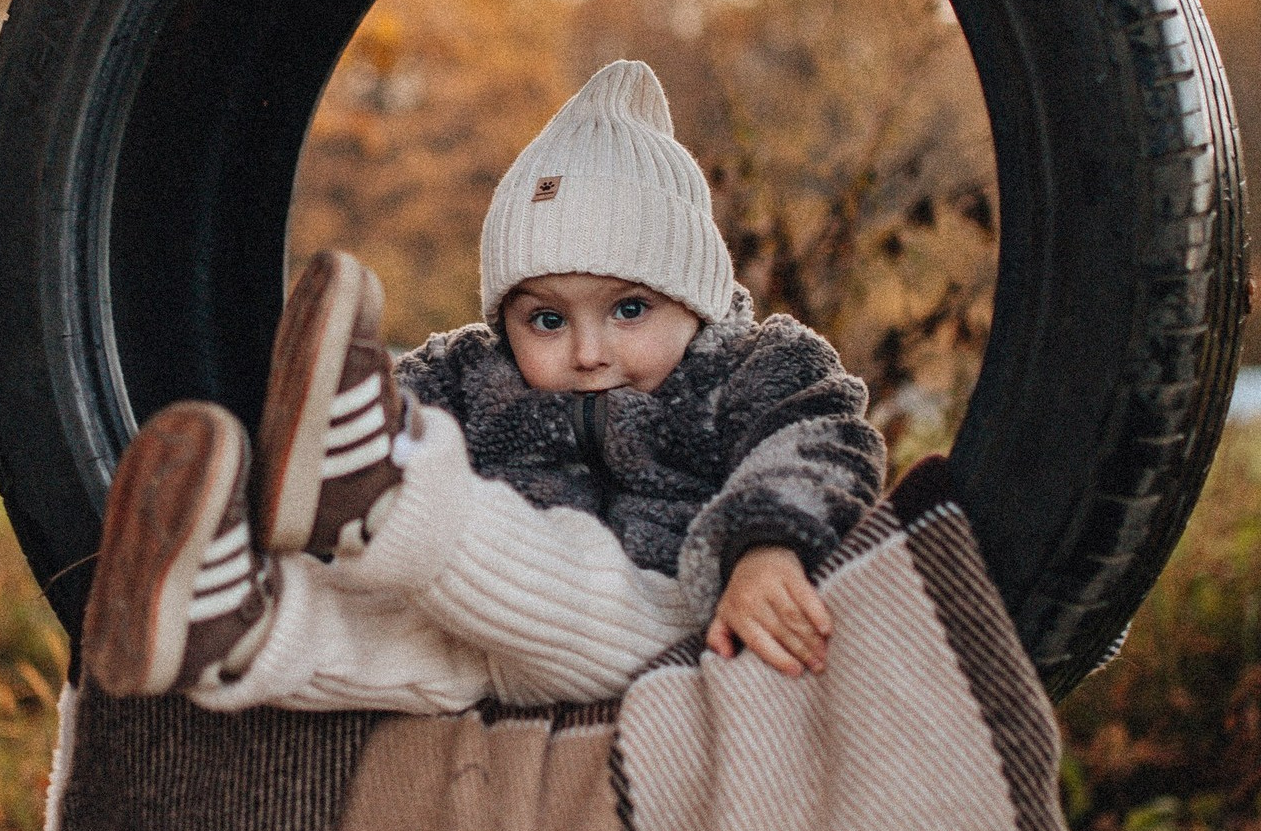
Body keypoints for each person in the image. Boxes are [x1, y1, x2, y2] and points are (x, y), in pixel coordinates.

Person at [81, 60, 885, 713]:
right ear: (505, 315)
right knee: (409, 646)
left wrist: (765, 547)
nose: (588, 351)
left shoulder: (752, 365)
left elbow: (819, 442)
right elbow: (354, 416)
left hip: (664, 614)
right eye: (545, 320)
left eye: (629, 309)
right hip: (490, 636)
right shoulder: (475, 370)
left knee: (566, 586)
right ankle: (236, 624)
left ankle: (392, 495)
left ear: (697, 298)